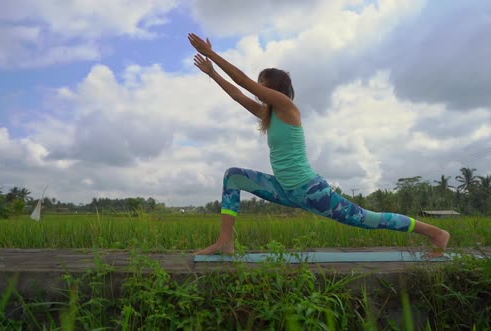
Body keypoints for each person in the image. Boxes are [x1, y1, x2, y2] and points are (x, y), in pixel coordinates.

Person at [187, 33, 450, 257]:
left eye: (262, 83)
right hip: (285, 189)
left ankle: (436, 233)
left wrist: (212, 54)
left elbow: (243, 82)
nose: (259, 86)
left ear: (274, 88)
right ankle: (225, 242)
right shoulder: (268, 114)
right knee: (233, 177)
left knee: (369, 219)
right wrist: (212, 73)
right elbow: (237, 93)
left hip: (311, 191)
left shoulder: (287, 108)